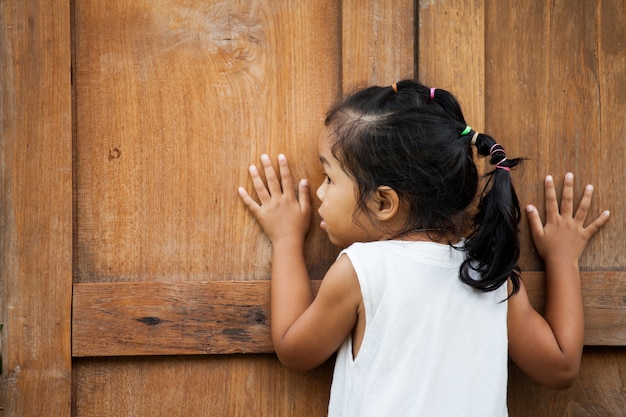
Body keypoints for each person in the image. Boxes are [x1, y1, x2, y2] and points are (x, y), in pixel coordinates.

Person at [237, 80, 610, 416]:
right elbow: (560, 366)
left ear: (384, 203)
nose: (319, 192)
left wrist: (286, 239)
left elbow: (294, 349)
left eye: (330, 178)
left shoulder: (362, 270)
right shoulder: (489, 274)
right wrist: (563, 259)